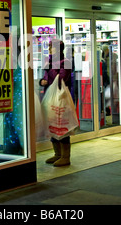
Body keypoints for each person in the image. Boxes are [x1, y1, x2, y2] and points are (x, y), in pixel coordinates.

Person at [40, 39, 73, 167]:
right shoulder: (49, 62)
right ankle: (57, 154)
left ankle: (66, 156)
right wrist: (42, 81)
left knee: (62, 126)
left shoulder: (66, 62)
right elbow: (46, 78)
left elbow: (61, 79)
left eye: (51, 47)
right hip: (50, 98)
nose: (49, 49)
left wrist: (50, 69)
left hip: (61, 99)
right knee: (52, 124)